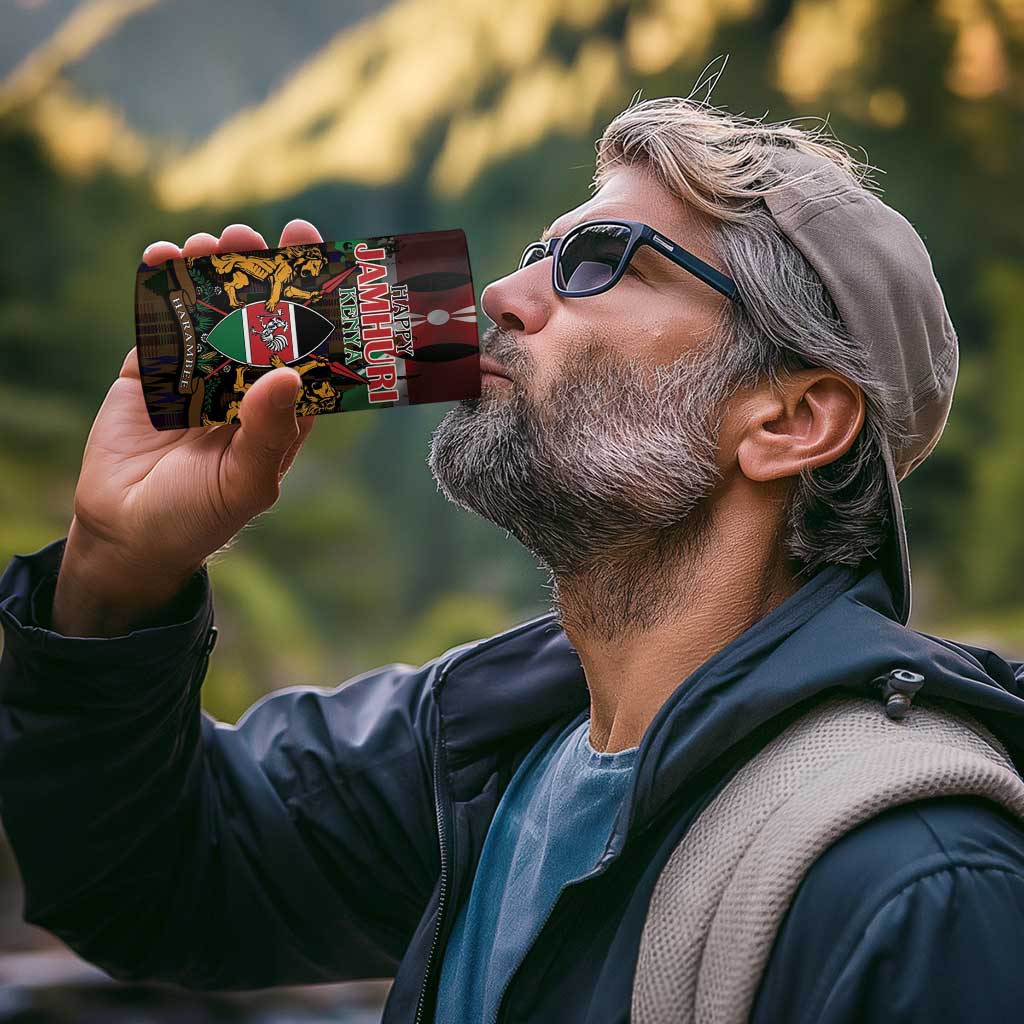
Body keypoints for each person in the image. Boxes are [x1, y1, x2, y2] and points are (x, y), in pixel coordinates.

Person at [2, 96, 1024, 1024]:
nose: (501, 292)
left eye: (598, 261)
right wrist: (116, 570)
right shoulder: (478, 749)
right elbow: (149, 880)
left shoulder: (918, 883)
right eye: (540, 252)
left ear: (791, 419)